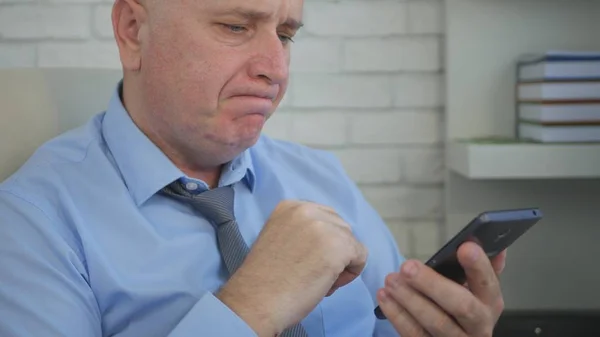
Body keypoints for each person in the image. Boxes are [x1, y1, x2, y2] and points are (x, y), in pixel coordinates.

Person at [0, 0, 507, 336]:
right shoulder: (30, 222)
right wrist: (251, 306)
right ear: (133, 30)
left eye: (285, 35)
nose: (276, 68)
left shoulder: (323, 178)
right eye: (236, 26)